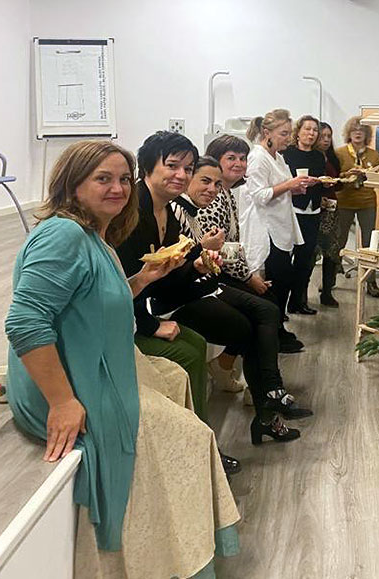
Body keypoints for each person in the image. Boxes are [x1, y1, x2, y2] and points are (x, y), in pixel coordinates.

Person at [4, 140, 239, 578]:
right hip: (69, 383)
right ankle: (159, 554)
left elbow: (97, 300)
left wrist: (142, 279)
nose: (118, 189)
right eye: (103, 179)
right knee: (191, 437)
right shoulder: (63, 235)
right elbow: (24, 322)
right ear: (72, 185)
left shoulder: (91, 233)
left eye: (122, 179)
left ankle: (165, 535)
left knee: (175, 379)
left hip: (92, 363)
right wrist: (62, 402)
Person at [116, 131, 310, 446]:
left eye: (187, 168)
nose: (182, 175)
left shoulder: (168, 209)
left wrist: (197, 265)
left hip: (181, 291)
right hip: (163, 304)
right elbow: (129, 280)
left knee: (266, 311)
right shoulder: (134, 213)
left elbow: (175, 267)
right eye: (173, 166)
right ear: (147, 167)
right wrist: (151, 323)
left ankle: (265, 407)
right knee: (251, 325)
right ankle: (234, 423)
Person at [202, 135, 304, 354]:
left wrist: (248, 275)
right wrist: (249, 278)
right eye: (231, 158)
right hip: (211, 276)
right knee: (267, 307)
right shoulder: (214, 197)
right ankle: (245, 366)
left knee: (272, 297)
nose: (239, 164)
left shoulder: (227, 194)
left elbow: (232, 245)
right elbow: (222, 249)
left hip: (223, 269)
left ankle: (241, 364)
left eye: (242, 158)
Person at [242, 109, 319, 320]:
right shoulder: (258, 158)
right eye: (283, 134)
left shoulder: (277, 157)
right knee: (277, 280)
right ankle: (272, 326)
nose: (288, 138)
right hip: (266, 228)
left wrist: (297, 187)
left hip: (280, 225)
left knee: (283, 280)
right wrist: (289, 185)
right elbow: (260, 195)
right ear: (267, 133)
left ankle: (278, 325)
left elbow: (280, 188)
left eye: (289, 133)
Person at [283, 115, 327, 314]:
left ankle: (298, 302)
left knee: (306, 260)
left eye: (315, 130)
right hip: (293, 210)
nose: (311, 133)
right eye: (307, 129)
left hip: (313, 210)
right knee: (285, 260)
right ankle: (280, 306)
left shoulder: (319, 156)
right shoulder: (288, 153)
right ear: (298, 132)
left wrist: (323, 183)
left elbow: (321, 180)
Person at [334, 115, 379, 297]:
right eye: (354, 130)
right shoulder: (339, 153)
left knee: (370, 243)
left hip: (366, 202)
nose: (358, 133)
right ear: (348, 133)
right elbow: (333, 177)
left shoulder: (374, 155)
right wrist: (346, 174)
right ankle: (329, 280)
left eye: (361, 130)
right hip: (344, 201)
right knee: (338, 240)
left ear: (366, 134)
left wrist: (367, 174)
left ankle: (371, 281)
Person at [316, 122, 342, 307]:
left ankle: (327, 291)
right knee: (312, 254)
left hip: (332, 210)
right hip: (315, 211)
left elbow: (337, 184)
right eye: (322, 136)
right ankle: (301, 296)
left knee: (331, 252)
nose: (326, 140)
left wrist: (344, 177)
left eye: (328, 136)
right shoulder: (312, 157)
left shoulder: (332, 157)